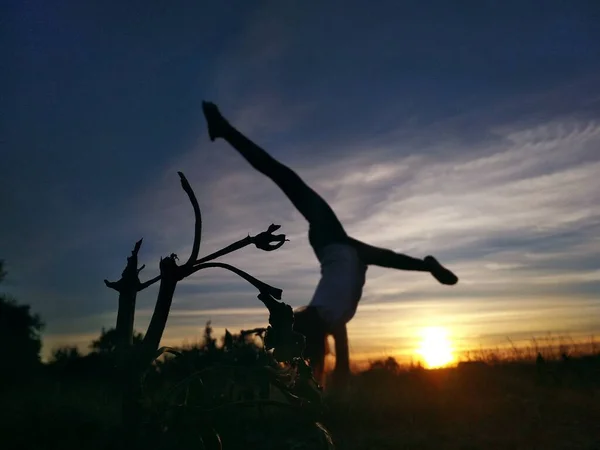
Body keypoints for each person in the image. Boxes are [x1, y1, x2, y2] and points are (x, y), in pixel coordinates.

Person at [201, 101, 458, 386]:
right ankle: (427, 266)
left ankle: (225, 130)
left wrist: (343, 370)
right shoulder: (330, 318)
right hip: (345, 250)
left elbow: (336, 339)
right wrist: (341, 373)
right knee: (390, 257)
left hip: (332, 242)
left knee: (285, 178)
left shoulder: (328, 317)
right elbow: (338, 341)